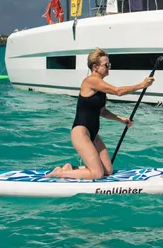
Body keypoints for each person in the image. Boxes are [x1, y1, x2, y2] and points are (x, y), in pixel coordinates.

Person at [47, 48, 154, 179]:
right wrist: (142, 85)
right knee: (97, 174)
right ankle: (60, 173)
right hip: (81, 133)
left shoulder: (100, 87)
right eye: (106, 65)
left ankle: (71, 169)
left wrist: (121, 119)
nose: (109, 67)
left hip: (93, 133)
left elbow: (102, 111)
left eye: (109, 64)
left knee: (107, 170)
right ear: (95, 67)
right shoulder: (91, 81)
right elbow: (118, 91)